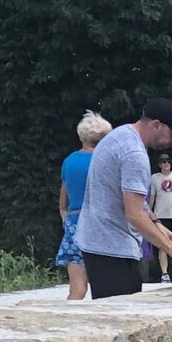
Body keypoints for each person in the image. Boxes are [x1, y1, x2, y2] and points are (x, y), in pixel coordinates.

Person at [75, 99, 172, 297]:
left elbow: (130, 197)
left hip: (98, 241)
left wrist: (157, 224)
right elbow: (134, 214)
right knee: (121, 313)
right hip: (112, 248)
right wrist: (171, 249)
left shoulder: (121, 135)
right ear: (157, 125)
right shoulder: (134, 153)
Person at [58, 110, 110, 301]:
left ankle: (67, 315)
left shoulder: (69, 161)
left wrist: (66, 219)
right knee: (106, 288)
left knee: (77, 289)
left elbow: (63, 199)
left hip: (74, 221)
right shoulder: (103, 161)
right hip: (98, 223)